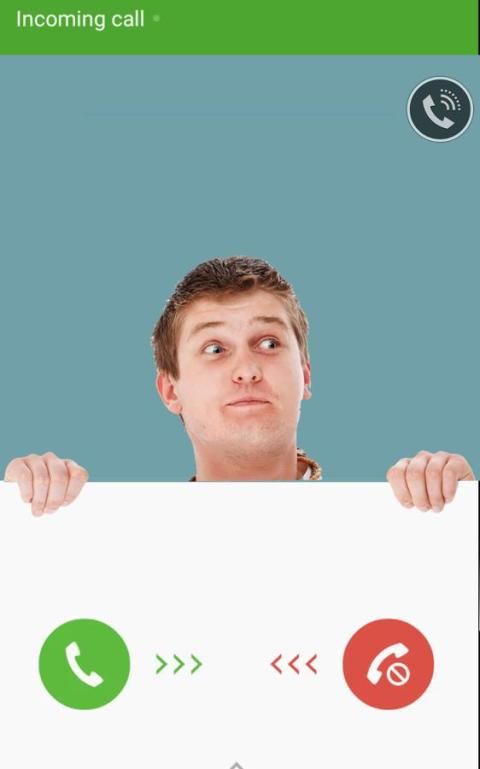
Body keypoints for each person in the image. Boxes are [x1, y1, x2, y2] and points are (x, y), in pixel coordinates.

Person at [3, 256, 475, 514]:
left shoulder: (405, 521)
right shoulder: (103, 543)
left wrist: (463, 523)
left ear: (305, 374)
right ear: (171, 391)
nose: (246, 369)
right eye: (215, 348)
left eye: (268, 342)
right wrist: (23, 517)